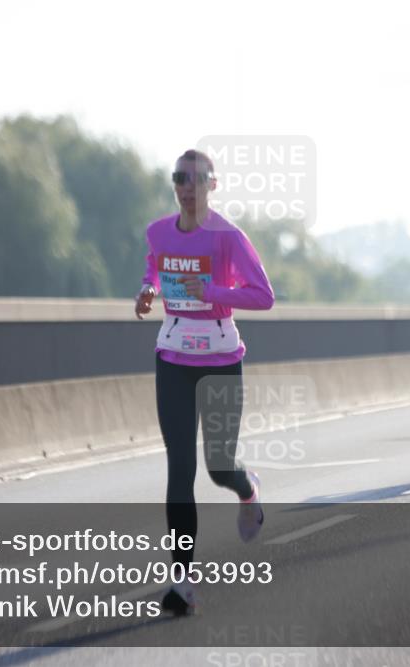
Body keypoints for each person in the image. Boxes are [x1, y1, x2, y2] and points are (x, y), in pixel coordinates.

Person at [135, 149, 275, 615]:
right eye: (180, 177)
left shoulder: (229, 238)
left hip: (219, 358)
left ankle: (247, 490)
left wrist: (211, 292)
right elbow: (156, 264)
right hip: (173, 355)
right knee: (180, 469)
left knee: (218, 466)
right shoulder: (158, 231)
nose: (186, 185)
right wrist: (149, 288)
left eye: (196, 179)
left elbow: (264, 296)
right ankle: (182, 584)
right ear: (174, 184)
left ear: (212, 185)